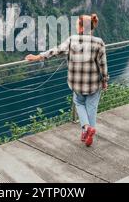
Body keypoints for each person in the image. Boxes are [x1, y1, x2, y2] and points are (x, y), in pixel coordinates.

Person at [25, 14, 109, 147]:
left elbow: (56, 51)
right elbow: (103, 64)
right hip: (93, 83)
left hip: (76, 83)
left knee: (79, 103)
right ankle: (88, 131)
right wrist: (105, 80)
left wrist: (38, 57)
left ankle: (86, 129)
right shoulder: (99, 42)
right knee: (91, 108)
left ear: (81, 28)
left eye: (76, 24)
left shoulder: (72, 40)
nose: (75, 26)